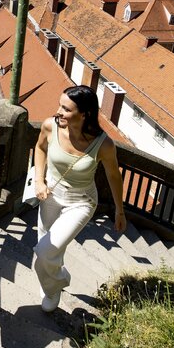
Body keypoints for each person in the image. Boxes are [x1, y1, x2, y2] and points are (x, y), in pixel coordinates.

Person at [32, 85, 126, 312]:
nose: (58, 112)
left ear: (85, 114)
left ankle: (56, 284)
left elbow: (114, 176)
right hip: (51, 194)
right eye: (59, 105)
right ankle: (55, 278)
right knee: (49, 248)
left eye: (66, 109)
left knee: (44, 252)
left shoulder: (103, 144)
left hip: (81, 201)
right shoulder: (50, 126)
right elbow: (40, 148)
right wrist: (39, 180)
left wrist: (119, 211)